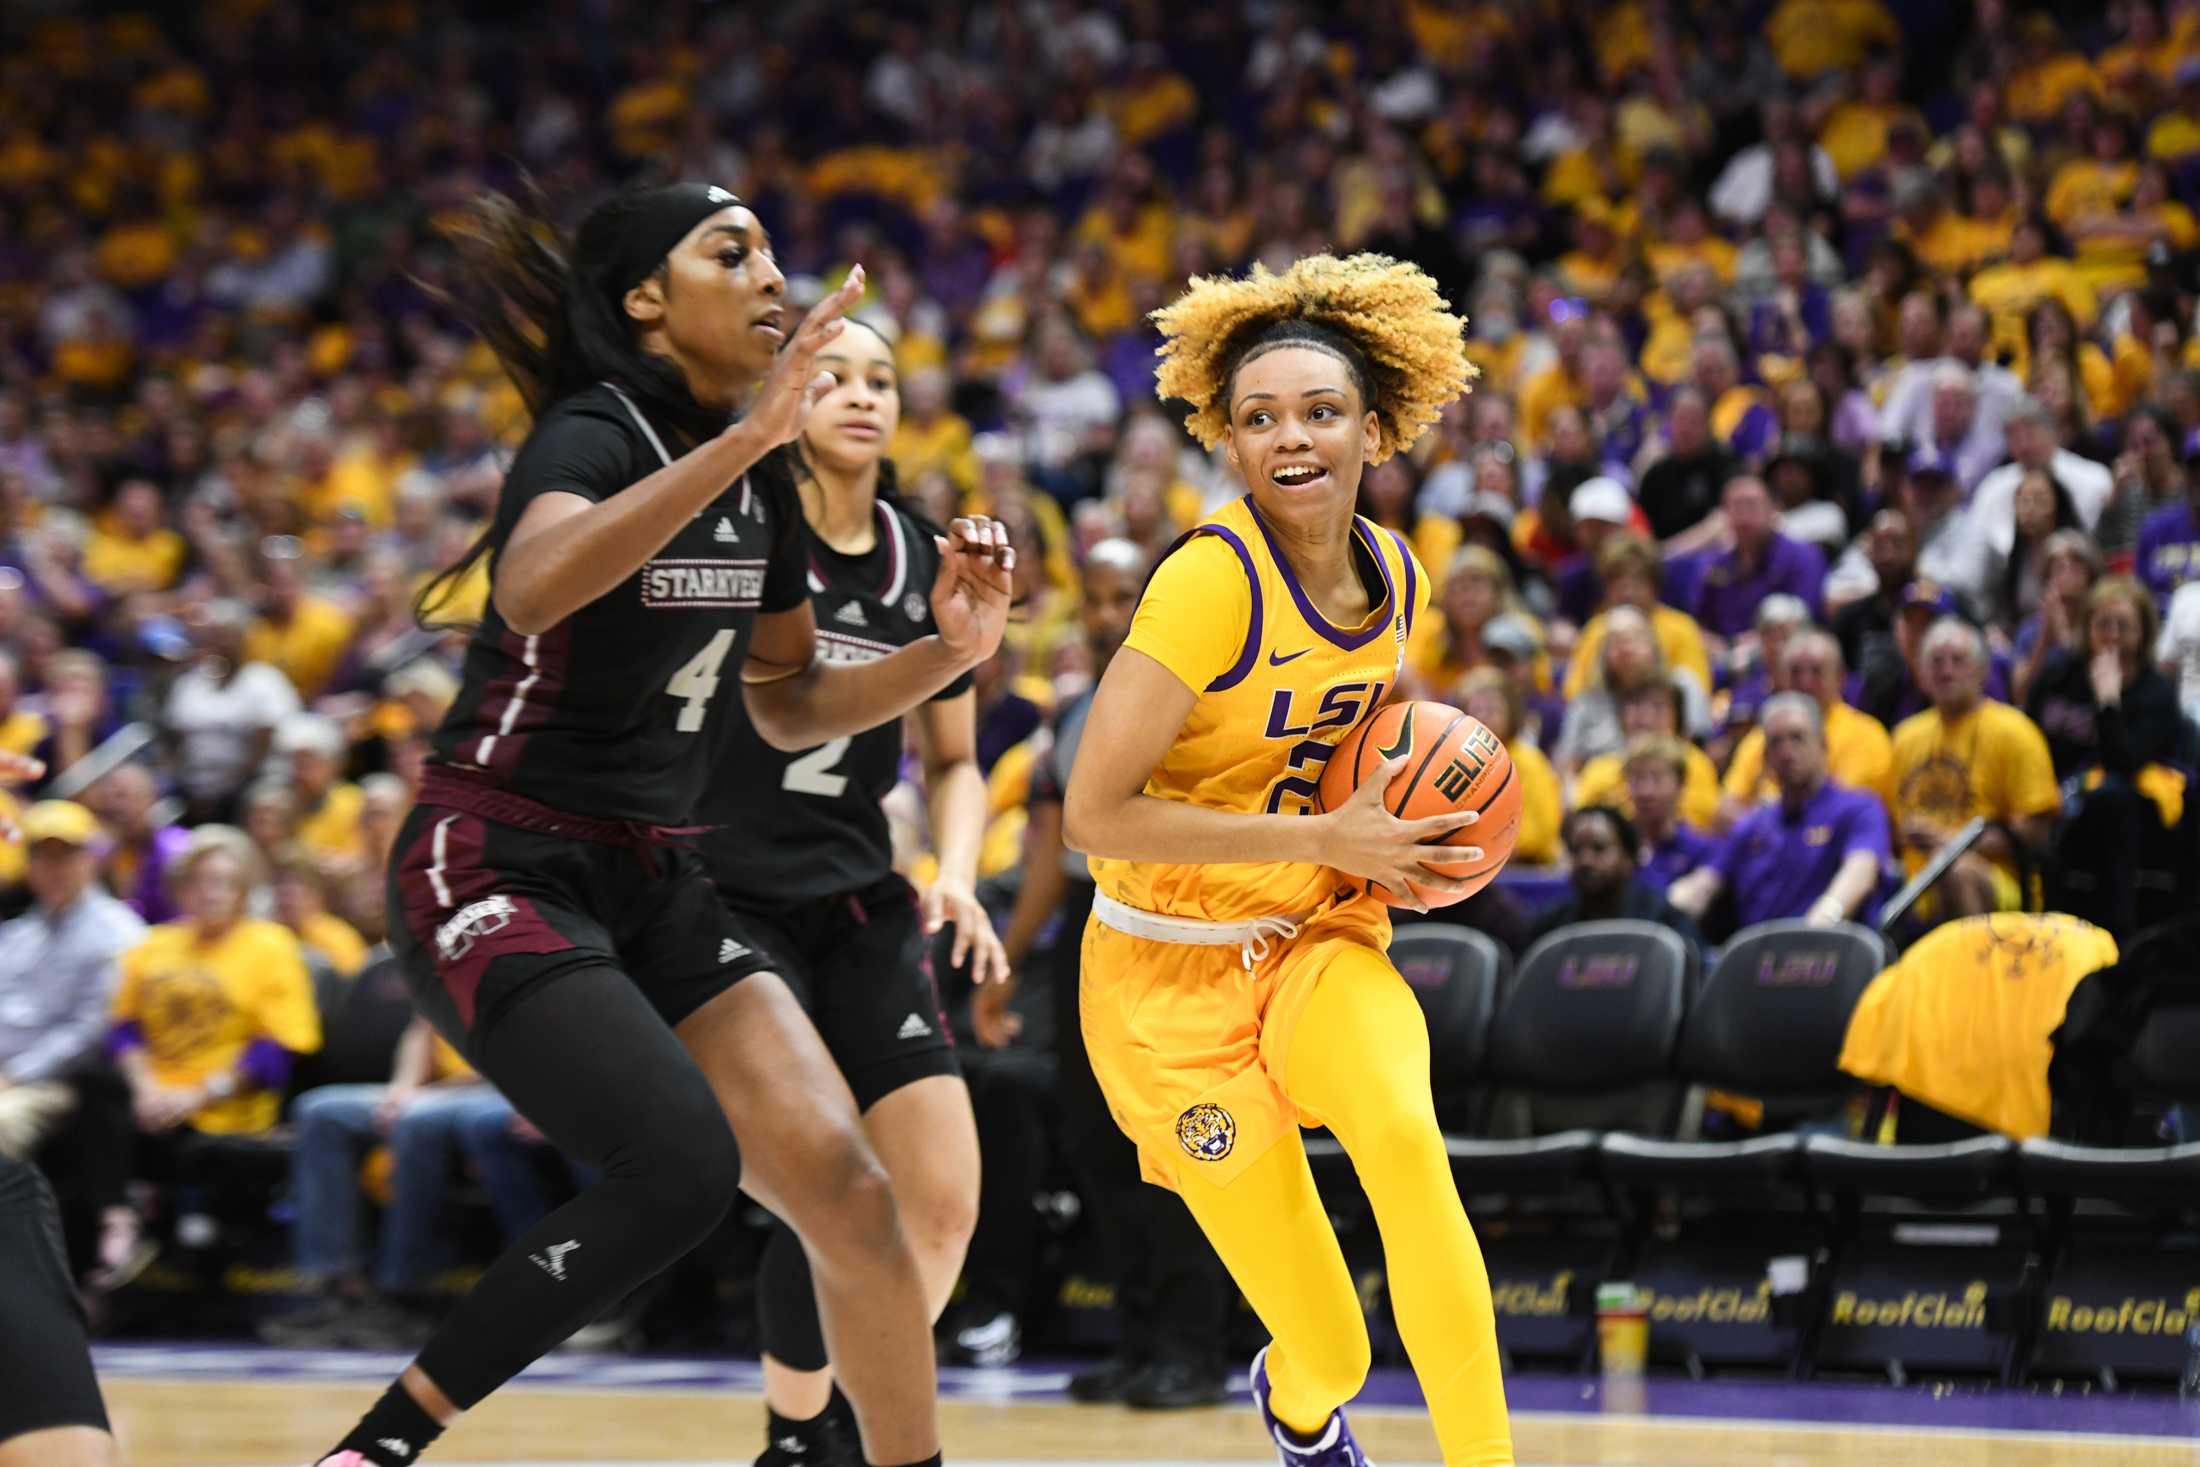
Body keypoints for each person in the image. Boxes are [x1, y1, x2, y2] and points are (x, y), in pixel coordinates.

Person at [313, 185, 1010, 1467]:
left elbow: (791, 702)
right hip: (496, 853)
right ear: (647, 300)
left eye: (773, 251)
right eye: (730, 252)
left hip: (653, 873)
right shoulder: (599, 431)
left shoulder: (764, 493)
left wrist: (938, 656)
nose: (771, 275)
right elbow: (529, 588)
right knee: (681, 1164)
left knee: (855, 1202)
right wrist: (746, 441)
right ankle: (377, 1448)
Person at [1062, 254, 1513, 1467]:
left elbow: (1358, 760)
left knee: (1409, 1146)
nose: (1290, 437)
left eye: (1319, 412)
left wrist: (1409, 842)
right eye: (1257, 418)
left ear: (1375, 427)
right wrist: (1326, 834)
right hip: (1166, 987)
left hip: (1317, 940)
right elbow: (1090, 815)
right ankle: (1300, 1410)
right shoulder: (1208, 584)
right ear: (1228, 440)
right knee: (1334, 1354)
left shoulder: (1401, 574)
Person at [695, 316, 1001, 1466]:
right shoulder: (736, 536)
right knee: (830, 1177)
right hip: (722, 895)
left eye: (881, 378)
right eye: (833, 375)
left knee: (935, 1203)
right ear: (787, 395)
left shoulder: (929, 555)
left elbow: (958, 758)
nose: (861, 395)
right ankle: (796, 1425)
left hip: (860, 896)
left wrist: (957, 875)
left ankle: (820, 1416)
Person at [979, 539, 1237, 1408]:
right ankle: (1137, 1341)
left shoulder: (1201, 700)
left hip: (1179, 932)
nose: (1101, 613)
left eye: (1121, 595)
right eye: (1092, 597)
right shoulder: (1076, 708)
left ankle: (1193, 1348)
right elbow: (1048, 851)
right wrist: (1005, 964)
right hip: (1096, 931)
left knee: (1174, 1148)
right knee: (1097, 1146)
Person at [2023, 576, 2184, 937]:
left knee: (2111, 796)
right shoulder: (2059, 674)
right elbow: (2027, 736)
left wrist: (2108, 701)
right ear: (2087, 628)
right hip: (2051, 796)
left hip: (2123, 809)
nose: (2111, 636)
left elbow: (2124, 762)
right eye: (2103, 624)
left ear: (2143, 634)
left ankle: (2120, 938)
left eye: (2123, 627)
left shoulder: (2154, 692)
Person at [1669, 694, 1891, 929]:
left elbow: (1861, 871)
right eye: (1776, 742)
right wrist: (1664, 908)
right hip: (1759, 955)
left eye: (1797, 738)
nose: (1786, 752)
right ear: (1765, 757)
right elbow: (1704, 884)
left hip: (1827, 949)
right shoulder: (1753, 825)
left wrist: (1824, 917)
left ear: (1822, 744)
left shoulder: (1858, 809)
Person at [1888, 618, 2060, 918]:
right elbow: (1891, 828)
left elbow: (2034, 834)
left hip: (1997, 881)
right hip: (1913, 886)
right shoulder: (1904, 737)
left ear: (1983, 671)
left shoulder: (2014, 731)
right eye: (1936, 661)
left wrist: (1948, 841)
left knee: (1956, 871)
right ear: (1921, 674)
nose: (1946, 670)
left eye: (1958, 660)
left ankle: (1973, 963)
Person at [1718, 631, 1894, 825]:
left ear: (1840, 678)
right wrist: (1768, 830)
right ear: (1781, 679)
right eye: (1795, 672)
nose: (1805, 682)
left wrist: (1768, 821)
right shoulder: (1766, 734)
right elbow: (1725, 808)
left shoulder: (1866, 735)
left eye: (1816, 671)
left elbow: (1844, 813)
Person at [1525, 806, 1703, 951]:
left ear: (1628, 858)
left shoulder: (1664, 921)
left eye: (1599, 849)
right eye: (1575, 850)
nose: (1585, 860)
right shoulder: (1550, 928)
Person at [1621, 736, 1722, 892]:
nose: (1646, 791)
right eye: (1637, 778)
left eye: (1658, 778)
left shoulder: (1701, 850)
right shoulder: (1616, 850)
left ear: (1680, 785)